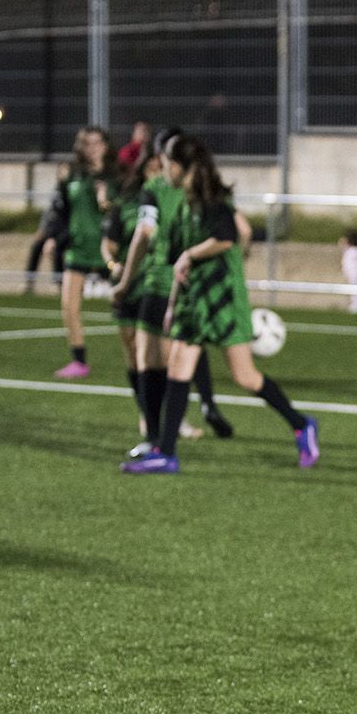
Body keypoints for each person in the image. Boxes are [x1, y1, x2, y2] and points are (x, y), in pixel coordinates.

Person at [122, 133, 316, 475]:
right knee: (178, 368)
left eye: (166, 163)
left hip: (222, 299)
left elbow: (226, 239)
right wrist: (172, 304)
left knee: (245, 377)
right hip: (192, 300)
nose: (162, 170)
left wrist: (190, 254)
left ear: (180, 166)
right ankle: (166, 453)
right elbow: (178, 262)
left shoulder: (213, 202)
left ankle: (301, 425)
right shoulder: (182, 208)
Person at [51, 127, 119, 379]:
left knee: (127, 309)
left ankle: (145, 361)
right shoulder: (72, 174)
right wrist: (54, 237)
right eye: (87, 143)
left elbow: (121, 213)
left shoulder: (115, 175)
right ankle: (79, 361)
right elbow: (61, 210)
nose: (92, 148)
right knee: (69, 306)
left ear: (105, 145)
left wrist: (105, 201)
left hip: (107, 250)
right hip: (77, 248)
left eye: (97, 143)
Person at [23, 164, 70, 296]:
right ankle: (29, 281)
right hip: (54, 231)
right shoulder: (57, 191)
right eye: (61, 172)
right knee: (37, 246)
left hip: (68, 231)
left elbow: (69, 218)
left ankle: (59, 283)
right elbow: (49, 213)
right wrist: (43, 230)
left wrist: (54, 239)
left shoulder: (72, 192)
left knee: (57, 249)